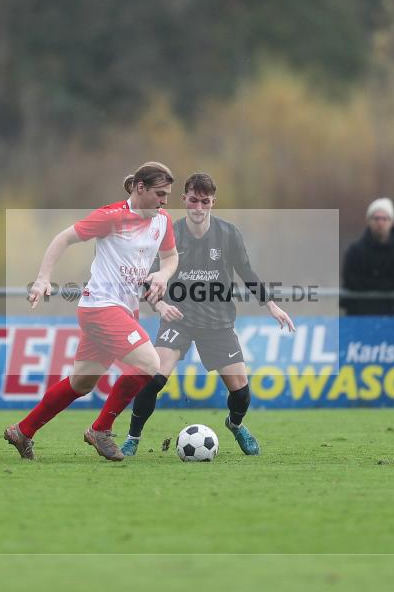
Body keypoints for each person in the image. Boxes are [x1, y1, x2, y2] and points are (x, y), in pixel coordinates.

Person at [3, 161, 179, 461]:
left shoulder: (162, 222)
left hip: (125, 310)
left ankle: (23, 430)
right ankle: (101, 429)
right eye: (159, 194)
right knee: (150, 363)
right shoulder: (112, 216)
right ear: (140, 187)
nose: (164, 201)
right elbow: (63, 238)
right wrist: (44, 278)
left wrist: (163, 275)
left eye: (167, 195)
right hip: (100, 307)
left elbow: (171, 257)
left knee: (82, 382)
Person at [120, 173, 295, 457]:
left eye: (205, 201)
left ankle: (235, 424)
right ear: (184, 200)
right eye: (193, 200)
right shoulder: (168, 233)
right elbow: (147, 279)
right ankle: (132, 438)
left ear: (213, 202)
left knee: (241, 393)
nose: (198, 208)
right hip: (178, 319)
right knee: (154, 377)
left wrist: (271, 305)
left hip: (218, 323)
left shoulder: (228, 234)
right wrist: (161, 305)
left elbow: (247, 273)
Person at [340, 198, 394, 315]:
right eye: (376, 218)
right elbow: (351, 279)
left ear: (392, 222)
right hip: (356, 312)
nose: (380, 223)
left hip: (387, 311)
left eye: (385, 218)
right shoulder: (355, 250)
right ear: (368, 221)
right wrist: (378, 284)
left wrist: (367, 284)